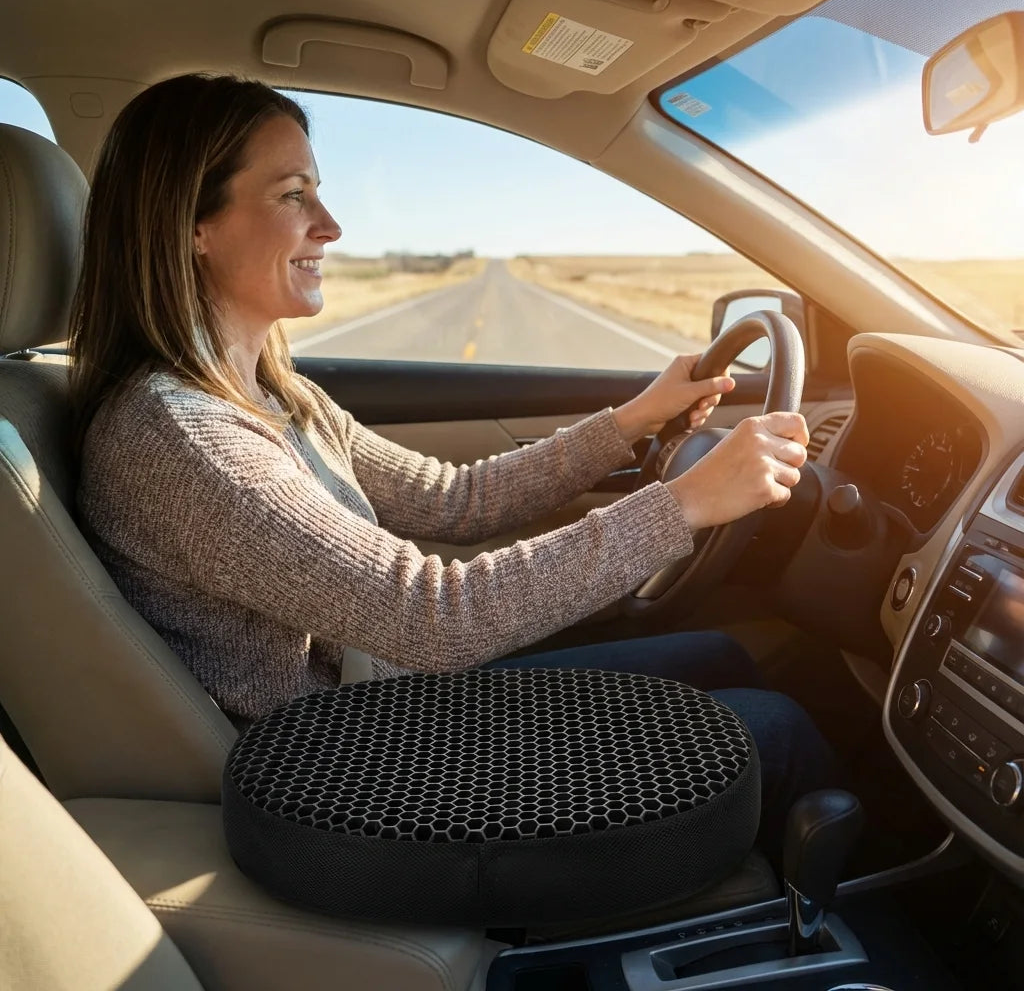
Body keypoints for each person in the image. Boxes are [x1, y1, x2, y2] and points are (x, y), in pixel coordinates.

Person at [70, 74, 833, 866]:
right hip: (340, 783)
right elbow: (434, 617)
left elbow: (453, 499)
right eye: (294, 196)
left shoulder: (271, 393)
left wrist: (631, 421)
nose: (329, 226)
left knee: (724, 658)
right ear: (194, 226)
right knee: (773, 732)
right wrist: (683, 505)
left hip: (377, 714)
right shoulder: (181, 437)